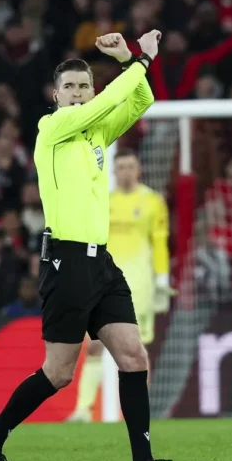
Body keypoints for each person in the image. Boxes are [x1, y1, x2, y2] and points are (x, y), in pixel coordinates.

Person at [0, 30, 190, 461]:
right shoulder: (53, 128)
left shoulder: (95, 132)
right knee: (59, 372)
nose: (77, 92)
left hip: (101, 263)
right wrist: (143, 58)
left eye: (84, 86)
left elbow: (140, 100)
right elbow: (113, 98)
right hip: (66, 262)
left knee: (134, 357)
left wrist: (128, 59)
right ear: (56, 95)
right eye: (68, 87)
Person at [67, 150, 172, 423]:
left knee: (135, 351)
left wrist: (162, 279)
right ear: (113, 170)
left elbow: (159, 241)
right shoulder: (104, 201)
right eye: (121, 166)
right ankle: (83, 410)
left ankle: (138, 414)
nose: (126, 171)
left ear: (139, 170)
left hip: (140, 284)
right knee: (94, 345)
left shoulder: (153, 201)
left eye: (130, 166)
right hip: (105, 282)